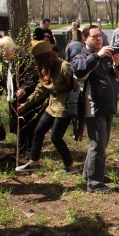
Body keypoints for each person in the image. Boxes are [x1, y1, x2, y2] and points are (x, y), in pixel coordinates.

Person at [71, 25, 119, 193]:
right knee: (97, 146)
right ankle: (94, 183)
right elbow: (79, 71)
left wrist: (118, 64)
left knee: (100, 145)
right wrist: (97, 56)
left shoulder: (105, 56)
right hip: (94, 107)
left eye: (100, 36)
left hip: (108, 107)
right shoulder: (81, 56)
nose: (98, 39)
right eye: (94, 36)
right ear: (85, 39)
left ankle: (90, 174)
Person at [15, 40, 78, 174]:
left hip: (64, 107)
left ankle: (70, 166)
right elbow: (41, 89)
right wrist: (26, 104)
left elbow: (75, 87)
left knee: (56, 137)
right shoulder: (45, 69)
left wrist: (75, 108)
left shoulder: (64, 67)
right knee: (38, 131)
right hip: (51, 105)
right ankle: (33, 162)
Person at [0, 36, 46, 160]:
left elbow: (33, 76)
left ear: (12, 50)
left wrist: (24, 88)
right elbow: (1, 78)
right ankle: (21, 149)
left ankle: (31, 151)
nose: (4, 58)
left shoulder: (25, 59)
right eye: (2, 56)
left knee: (29, 125)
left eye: (5, 55)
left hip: (28, 99)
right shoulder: (7, 62)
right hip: (14, 98)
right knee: (18, 125)